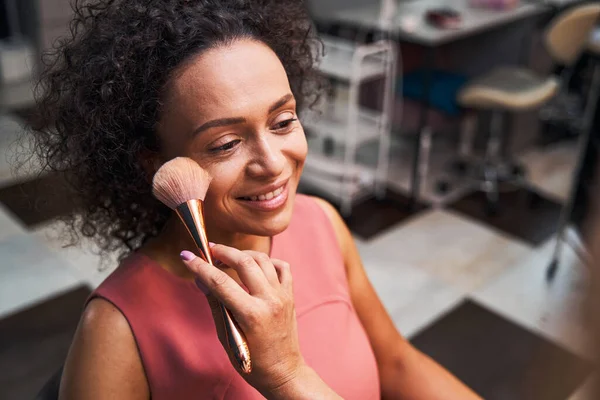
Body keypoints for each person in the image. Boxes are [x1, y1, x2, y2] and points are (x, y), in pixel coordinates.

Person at [31, 0, 481, 398]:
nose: (272, 163)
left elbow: (397, 364)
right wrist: (285, 376)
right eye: (226, 144)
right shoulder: (116, 331)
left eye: (283, 121)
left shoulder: (322, 224)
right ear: (154, 163)